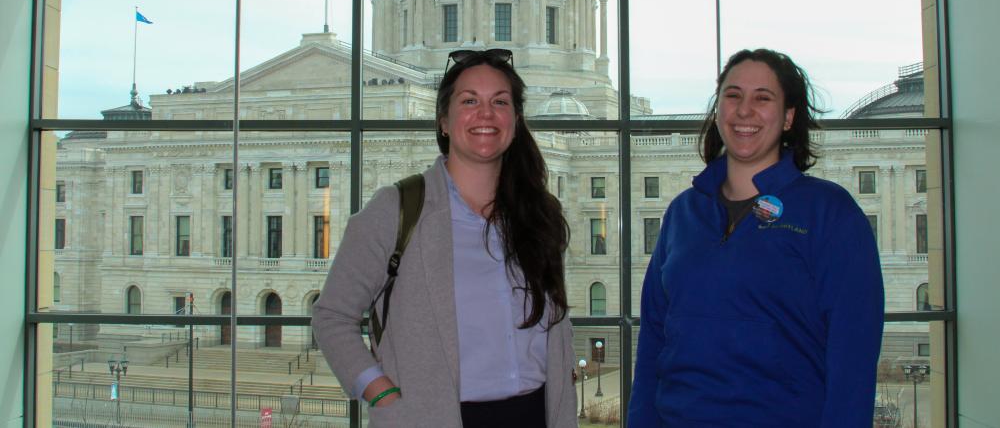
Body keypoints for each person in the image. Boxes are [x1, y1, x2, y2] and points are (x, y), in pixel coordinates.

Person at [312, 48, 577, 428]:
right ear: (444, 122)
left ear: (515, 122)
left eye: (499, 102)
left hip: (534, 413)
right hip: (433, 415)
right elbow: (332, 314)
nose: (485, 113)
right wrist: (379, 390)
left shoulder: (540, 214)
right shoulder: (397, 208)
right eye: (469, 100)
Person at [628, 48, 884, 427]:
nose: (744, 110)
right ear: (718, 112)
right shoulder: (684, 213)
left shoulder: (829, 212)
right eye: (733, 96)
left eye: (763, 98)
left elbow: (853, 359)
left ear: (788, 117)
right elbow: (653, 339)